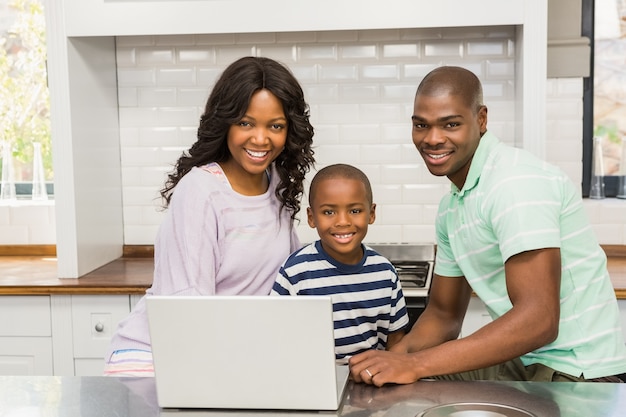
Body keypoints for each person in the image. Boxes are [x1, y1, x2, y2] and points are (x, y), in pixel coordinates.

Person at [349, 66, 626, 385]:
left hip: (577, 370)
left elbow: (540, 321)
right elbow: (443, 316)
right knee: (401, 391)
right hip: (523, 362)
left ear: (481, 119)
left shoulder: (515, 182)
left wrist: (416, 364)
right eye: (421, 125)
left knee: (420, 377)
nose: (433, 138)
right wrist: (389, 362)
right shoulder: (452, 207)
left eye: (450, 124)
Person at [104, 56, 315, 376]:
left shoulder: (277, 184)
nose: (261, 139)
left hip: (226, 354)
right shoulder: (201, 191)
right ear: (225, 122)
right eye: (246, 123)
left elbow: (284, 283)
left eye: (275, 126)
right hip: (157, 358)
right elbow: (189, 309)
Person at [271, 163, 409, 363]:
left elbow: (396, 339)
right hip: (313, 381)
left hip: (370, 383)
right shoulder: (294, 272)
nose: (342, 221)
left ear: (371, 213)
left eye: (354, 211)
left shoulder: (385, 273)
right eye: (328, 212)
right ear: (312, 217)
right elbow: (277, 336)